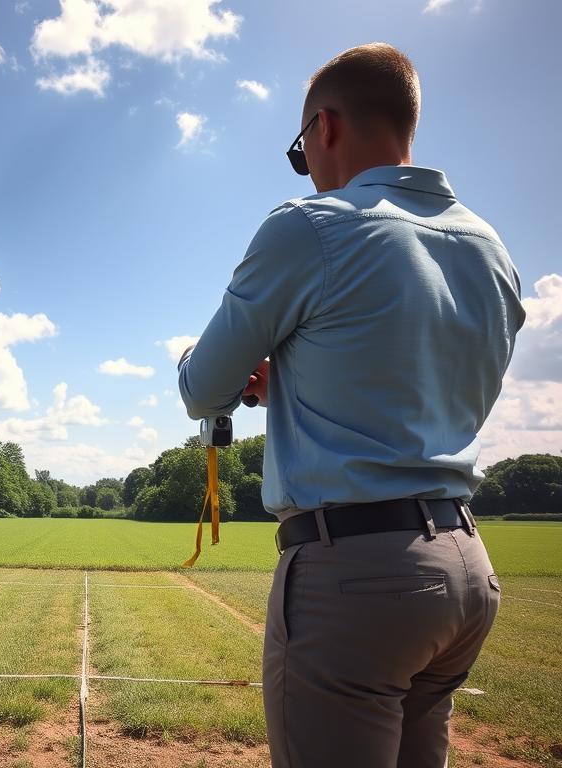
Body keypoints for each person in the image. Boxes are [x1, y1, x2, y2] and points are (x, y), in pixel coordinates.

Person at [177, 43, 525, 768]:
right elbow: (419, 384)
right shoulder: (491, 249)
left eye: (301, 152)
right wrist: (300, 385)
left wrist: (196, 359)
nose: (308, 168)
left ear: (323, 128)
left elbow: (202, 390)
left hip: (357, 576)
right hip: (465, 568)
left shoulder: (311, 226)